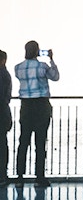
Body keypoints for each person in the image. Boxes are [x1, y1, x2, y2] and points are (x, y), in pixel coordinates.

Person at [15, 41, 60, 187]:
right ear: (37, 51)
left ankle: (20, 177)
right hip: (41, 106)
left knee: (23, 141)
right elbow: (55, 77)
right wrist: (52, 59)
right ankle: (39, 177)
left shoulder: (18, 68)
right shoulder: (42, 66)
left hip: (26, 106)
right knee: (40, 143)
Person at [0, 50, 12, 187]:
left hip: (2, 113)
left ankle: (2, 174)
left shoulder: (2, 75)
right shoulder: (5, 74)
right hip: (4, 113)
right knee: (3, 144)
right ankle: (3, 174)